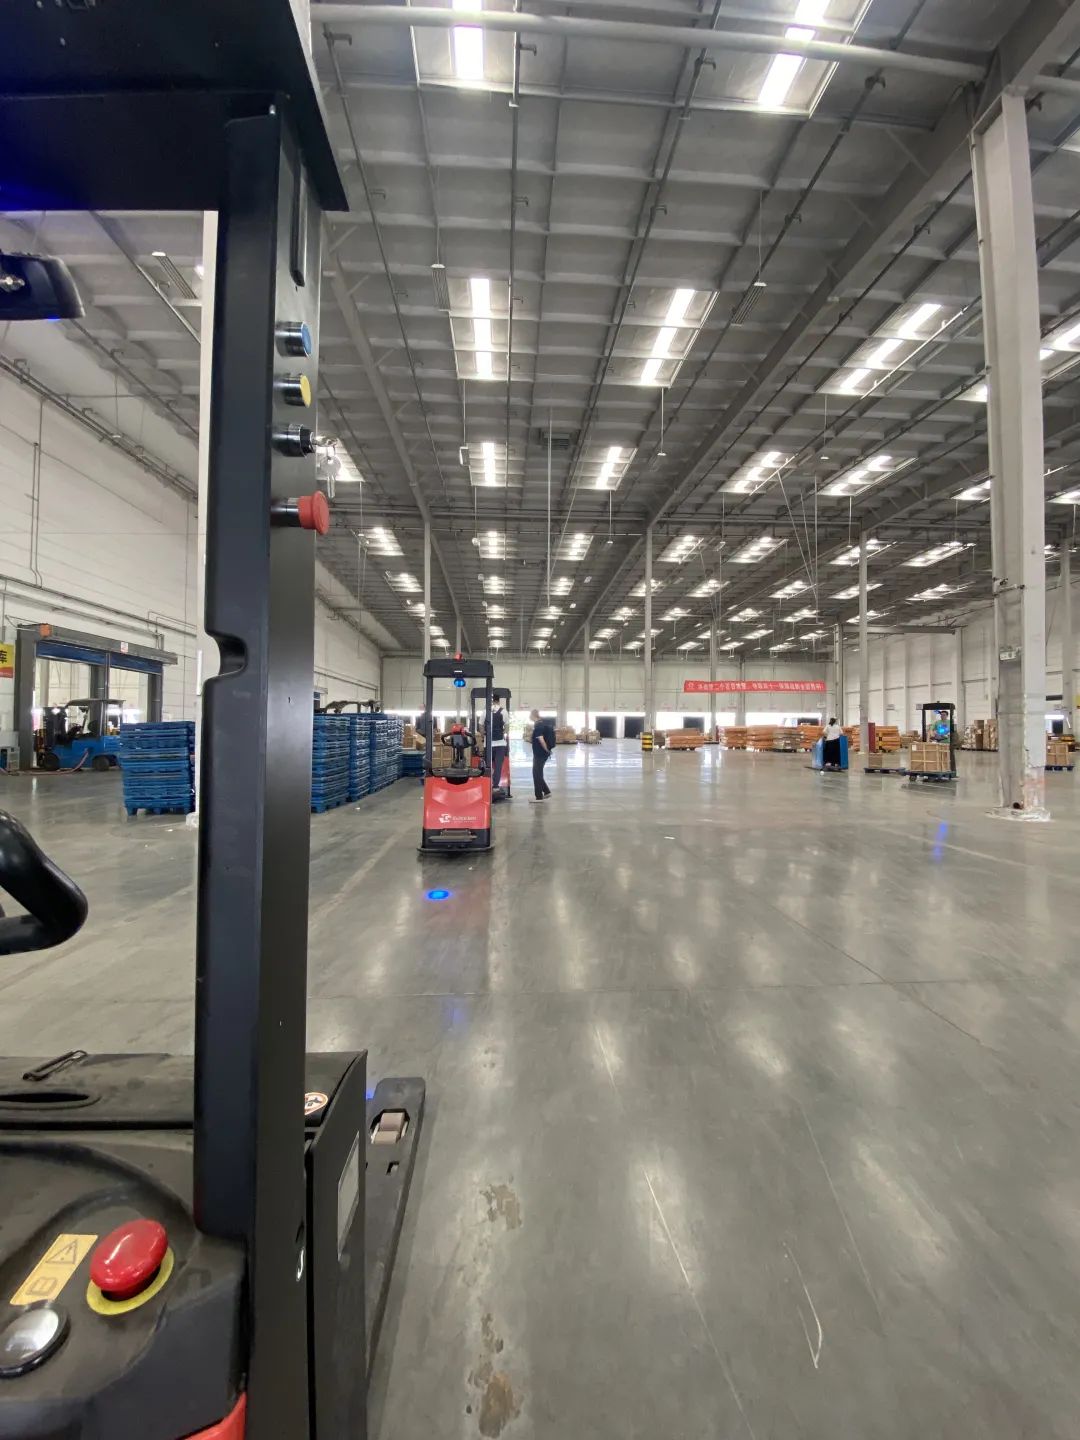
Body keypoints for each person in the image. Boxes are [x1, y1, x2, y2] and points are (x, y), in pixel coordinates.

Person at [529, 708, 555, 802]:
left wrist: (547, 750)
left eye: (530, 715)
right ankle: (546, 791)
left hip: (540, 753)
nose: (529, 717)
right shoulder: (542, 723)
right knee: (537, 773)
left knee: (537, 774)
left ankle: (539, 797)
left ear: (533, 716)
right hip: (541, 753)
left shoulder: (538, 725)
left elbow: (541, 740)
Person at [490, 697, 508, 790]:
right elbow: (507, 728)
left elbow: (480, 726)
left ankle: (487, 783)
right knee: (498, 766)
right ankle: (495, 785)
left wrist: (485, 736)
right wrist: (502, 733)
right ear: (498, 701)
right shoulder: (503, 711)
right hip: (500, 744)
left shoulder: (486, 711)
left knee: (487, 764)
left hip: (488, 744)